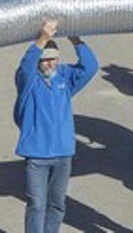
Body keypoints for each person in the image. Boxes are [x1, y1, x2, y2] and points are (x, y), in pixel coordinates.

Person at [14, 19, 98, 233]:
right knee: (36, 205)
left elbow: (90, 66)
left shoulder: (64, 77)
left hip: (62, 154)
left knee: (57, 204)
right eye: (45, 60)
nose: (50, 64)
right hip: (36, 155)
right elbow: (26, 65)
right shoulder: (29, 81)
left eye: (53, 60)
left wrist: (76, 40)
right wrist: (42, 39)